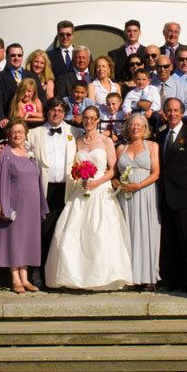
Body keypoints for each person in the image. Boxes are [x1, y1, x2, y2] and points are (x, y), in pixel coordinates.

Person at [45, 105, 133, 290]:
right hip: (82, 189)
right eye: (86, 117)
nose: (89, 121)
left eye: (93, 118)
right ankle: (76, 276)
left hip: (101, 190)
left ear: (98, 120)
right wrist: (80, 176)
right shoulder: (77, 140)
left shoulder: (106, 140)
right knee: (72, 233)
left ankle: (103, 277)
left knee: (100, 233)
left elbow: (113, 169)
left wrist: (97, 182)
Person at [154, 97, 187, 292]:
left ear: (182, 112)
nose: (172, 114)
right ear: (165, 113)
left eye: (176, 110)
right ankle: (174, 280)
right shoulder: (160, 137)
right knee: (172, 241)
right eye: (169, 110)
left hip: (186, 197)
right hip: (166, 197)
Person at [0, 119, 44, 293]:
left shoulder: (30, 152)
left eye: (20, 132)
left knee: (27, 240)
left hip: (31, 205)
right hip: (13, 203)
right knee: (13, 240)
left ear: (25, 134)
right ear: (8, 134)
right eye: (13, 132)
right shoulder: (4, 153)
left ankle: (25, 277)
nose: (17, 135)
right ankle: (15, 278)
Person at [113, 113, 162, 291]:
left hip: (145, 192)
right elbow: (114, 174)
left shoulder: (152, 146)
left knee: (147, 232)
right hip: (126, 196)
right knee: (128, 233)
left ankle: (148, 277)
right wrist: (117, 183)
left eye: (139, 125)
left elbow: (156, 173)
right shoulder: (121, 149)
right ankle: (130, 276)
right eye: (132, 124)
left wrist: (138, 185)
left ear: (144, 128)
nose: (135, 127)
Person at [31, 97, 77, 282]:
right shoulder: (34, 133)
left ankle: (61, 275)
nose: (56, 113)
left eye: (60, 110)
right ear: (47, 112)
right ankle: (39, 272)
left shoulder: (75, 131)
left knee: (65, 233)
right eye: (53, 110)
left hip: (69, 189)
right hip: (44, 189)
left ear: (65, 113)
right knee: (44, 231)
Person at [112, 18, 145, 83]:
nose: (132, 33)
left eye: (135, 31)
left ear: (140, 32)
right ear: (124, 32)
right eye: (129, 31)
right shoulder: (114, 54)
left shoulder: (146, 52)